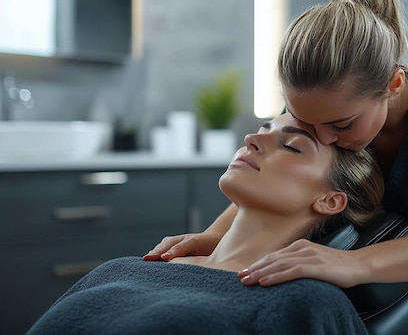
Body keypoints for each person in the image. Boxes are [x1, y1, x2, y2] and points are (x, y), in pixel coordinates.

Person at [144, 0, 408, 333]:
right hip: (358, 304)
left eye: (341, 126)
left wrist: (353, 263)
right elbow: (270, 170)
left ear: (393, 84)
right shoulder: (324, 107)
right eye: (305, 124)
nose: (324, 137)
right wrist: (214, 238)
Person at [27, 113, 385, 335]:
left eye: (291, 146)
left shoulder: (304, 303)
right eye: (262, 129)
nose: (252, 139)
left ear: (330, 200)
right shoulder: (123, 269)